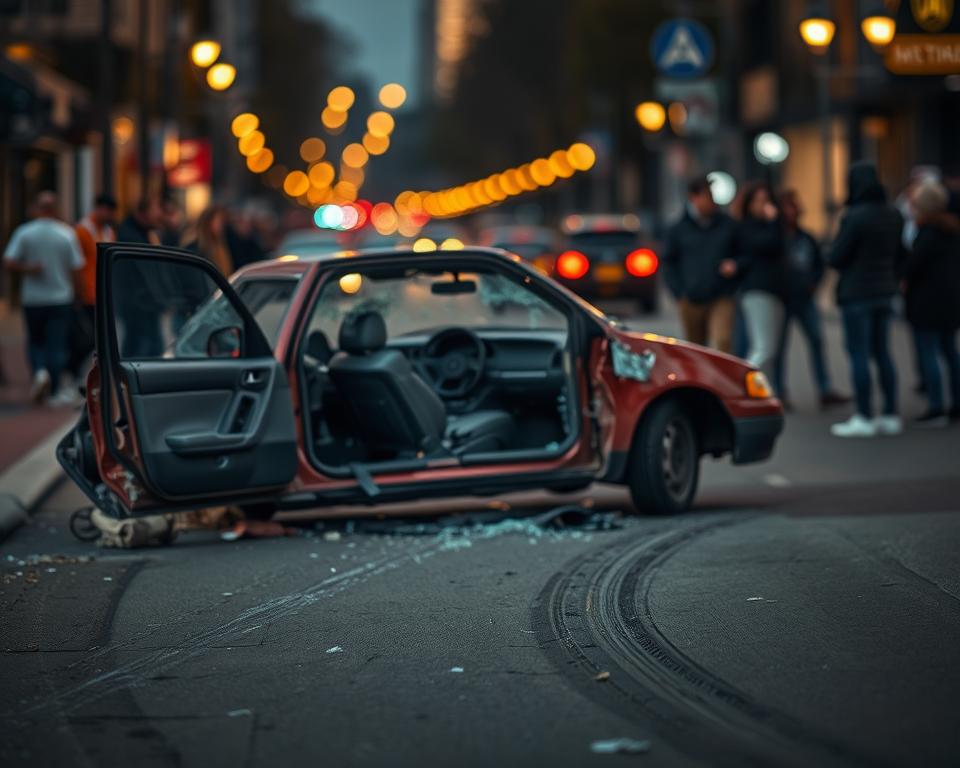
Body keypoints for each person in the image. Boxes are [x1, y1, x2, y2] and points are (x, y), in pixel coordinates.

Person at [828, 162, 905, 438]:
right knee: (883, 353)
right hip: (885, 291)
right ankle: (890, 413)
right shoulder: (894, 214)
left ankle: (864, 415)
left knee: (859, 354)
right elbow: (901, 255)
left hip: (857, 293)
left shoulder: (855, 217)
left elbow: (837, 256)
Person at [3, 191, 84, 404]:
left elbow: (8, 261)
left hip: (33, 298)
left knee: (35, 340)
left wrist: (28, 268)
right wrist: (78, 295)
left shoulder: (25, 232)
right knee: (56, 344)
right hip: (60, 297)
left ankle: (39, 372)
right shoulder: (66, 233)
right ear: (56, 209)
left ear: (38, 208)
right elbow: (77, 268)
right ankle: (55, 390)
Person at [773, 190, 849, 410]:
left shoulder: (806, 238)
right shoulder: (775, 239)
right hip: (783, 297)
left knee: (817, 341)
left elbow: (819, 264)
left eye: (795, 206)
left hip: (805, 298)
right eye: (789, 207)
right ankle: (778, 391)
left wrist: (814, 282)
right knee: (779, 347)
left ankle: (825, 388)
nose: (793, 211)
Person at [901, 179, 960, 426]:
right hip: (950, 300)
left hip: (927, 301)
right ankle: (956, 405)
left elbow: (913, 267)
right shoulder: (952, 230)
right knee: (949, 352)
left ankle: (936, 406)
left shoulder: (928, 234)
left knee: (930, 354)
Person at [661, 177, 740, 353]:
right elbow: (668, 262)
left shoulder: (727, 225)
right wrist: (679, 293)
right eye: (707, 196)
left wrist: (735, 266)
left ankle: (721, 380)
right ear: (693, 198)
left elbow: (743, 253)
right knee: (696, 350)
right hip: (691, 298)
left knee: (722, 340)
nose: (711, 201)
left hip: (721, 295)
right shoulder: (678, 229)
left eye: (712, 196)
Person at [734, 183, 789, 384]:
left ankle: (763, 393)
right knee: (763, 348)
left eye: (766, 201)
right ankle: (741, 385)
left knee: (771, 349)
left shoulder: (772, 226)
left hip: (777, 291)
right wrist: (774, 221)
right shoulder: (746, 227)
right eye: (758, 201)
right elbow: (768, 245)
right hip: (756, 291)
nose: (763, 206)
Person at [69, 193, 117, 383]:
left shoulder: (108, 231)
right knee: (88, 338)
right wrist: (78, 292)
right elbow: (76, 264)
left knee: (97, 338)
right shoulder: (83, 230)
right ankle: (70, 367)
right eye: (108, 210)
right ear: (99, 208)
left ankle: (76, 370)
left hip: (101, 293)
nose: (111, 215)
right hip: (87, 293)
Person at [116, 199, 163, 358]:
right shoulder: (131, 236)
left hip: (143, 302)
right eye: (154, 211)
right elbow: (142, 273)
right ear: (142, 214)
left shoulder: (143, 233)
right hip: (138, 303)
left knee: (143, 346)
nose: (158, 215)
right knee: (142, 348)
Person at [186, 205, 234, 275]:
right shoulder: (195, 249)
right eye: (218, 221)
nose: (221, 226)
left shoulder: (221, 246)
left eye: (222, 222)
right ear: (207, 222)